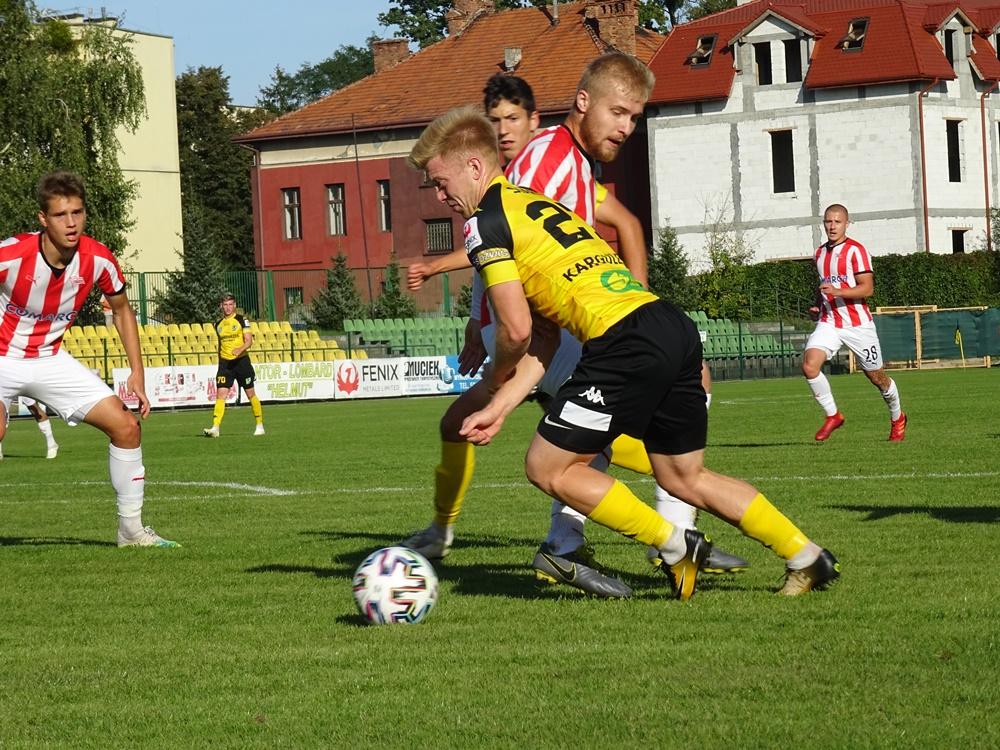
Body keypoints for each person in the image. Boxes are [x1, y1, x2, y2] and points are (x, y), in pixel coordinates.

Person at [408, 106, 840, 598]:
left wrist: (490, 383)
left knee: (547, 468)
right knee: (684, 476)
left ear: (473, 167)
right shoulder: (534, 205)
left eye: (440, 182)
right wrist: (502, 405)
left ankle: (675, 544)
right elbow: (545, 338)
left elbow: (515, 329)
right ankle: (806, 555)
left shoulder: (485, 223)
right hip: (668, 325)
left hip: (622, 341)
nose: (440, 197)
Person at [0, 171, 178, 547]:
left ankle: (131, 532)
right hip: (2, 356)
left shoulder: (98, 259)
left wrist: (137, 372)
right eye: (61, 214)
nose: (71, 223)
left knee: (127, 428)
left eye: (78, 213)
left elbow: (123, 310)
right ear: (43, 219)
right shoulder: (12, 254)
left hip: (50, 359)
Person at [804, 204, 906, 442]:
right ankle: (833, 416)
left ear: (846, 224)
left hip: (858, 325)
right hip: (829, 321)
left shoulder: (856, 251)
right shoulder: (819, 254)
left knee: (877, 378)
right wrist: (818, 304)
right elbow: (824, 287)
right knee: (809, 366)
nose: (832, 226)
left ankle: (897, 417)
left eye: (837, 222)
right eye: (828, 221)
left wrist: (837, 291)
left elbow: (867, 288)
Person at [203, 293, 265, 437]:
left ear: (235, 305)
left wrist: (240, 349)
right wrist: (220, 359)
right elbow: (220, 344)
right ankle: (215, 428)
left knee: (250, 394)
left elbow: (249, 341)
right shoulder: (218, 325)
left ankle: (259, 424)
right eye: (225, 305)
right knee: (220, 394)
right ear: (221, 306)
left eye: (230, 304)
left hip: (241, 362)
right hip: (225, 364)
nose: (228, 307)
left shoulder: (242, 320)